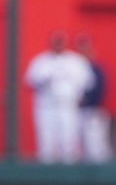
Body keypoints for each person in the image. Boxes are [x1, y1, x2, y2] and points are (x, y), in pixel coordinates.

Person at [24, 31, 94, 164]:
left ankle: (70, 177)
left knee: (69, 142)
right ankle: (46, 177)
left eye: (61, 41)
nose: (58, 44)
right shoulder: (41, 61)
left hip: (68, 106)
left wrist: (81, 97)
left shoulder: (75, 61)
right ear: (51, 43)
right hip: (46, 107)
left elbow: (88, 83)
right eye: (56, 41)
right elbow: (29, 81)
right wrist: (44, 79)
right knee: (46, 143)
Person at [75, 34, 112, 163]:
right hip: (75, 112)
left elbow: (100, 89)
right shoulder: (74, 67)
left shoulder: (96, 68)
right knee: (77, 147)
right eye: (81, 50)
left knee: (96, 145)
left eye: (86, 49)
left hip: (93, 111)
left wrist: (90, 103)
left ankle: (103, 177)